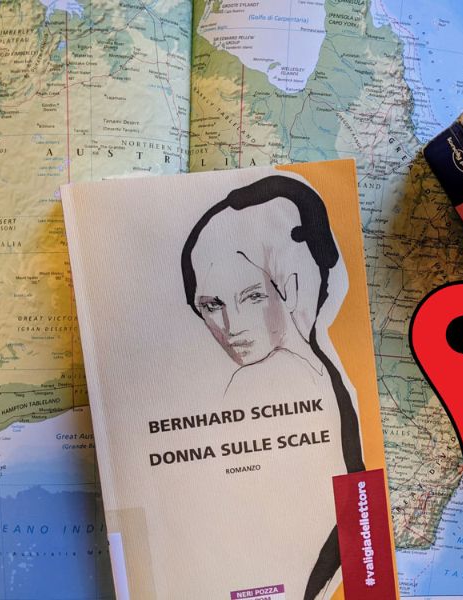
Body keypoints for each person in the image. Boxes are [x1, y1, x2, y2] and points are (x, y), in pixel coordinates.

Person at [180, 174, 364, 600]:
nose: (231, 327)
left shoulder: (267, 379)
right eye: (212, 305)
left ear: (292, 287)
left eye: (252, 296)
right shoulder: (323, 375)